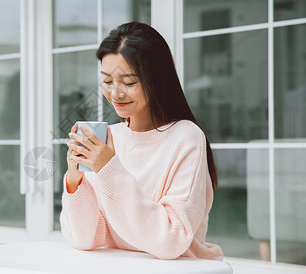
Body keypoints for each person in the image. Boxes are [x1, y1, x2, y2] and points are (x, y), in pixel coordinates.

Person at [60, 22, 223, 260]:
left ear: (156, 80)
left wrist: (109, 168)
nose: (115, 93)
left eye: (128, 83)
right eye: (107, 81)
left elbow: (171, 240)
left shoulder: (186, 137)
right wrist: (76, 181)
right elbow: (85, 239)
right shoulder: (109, 138)